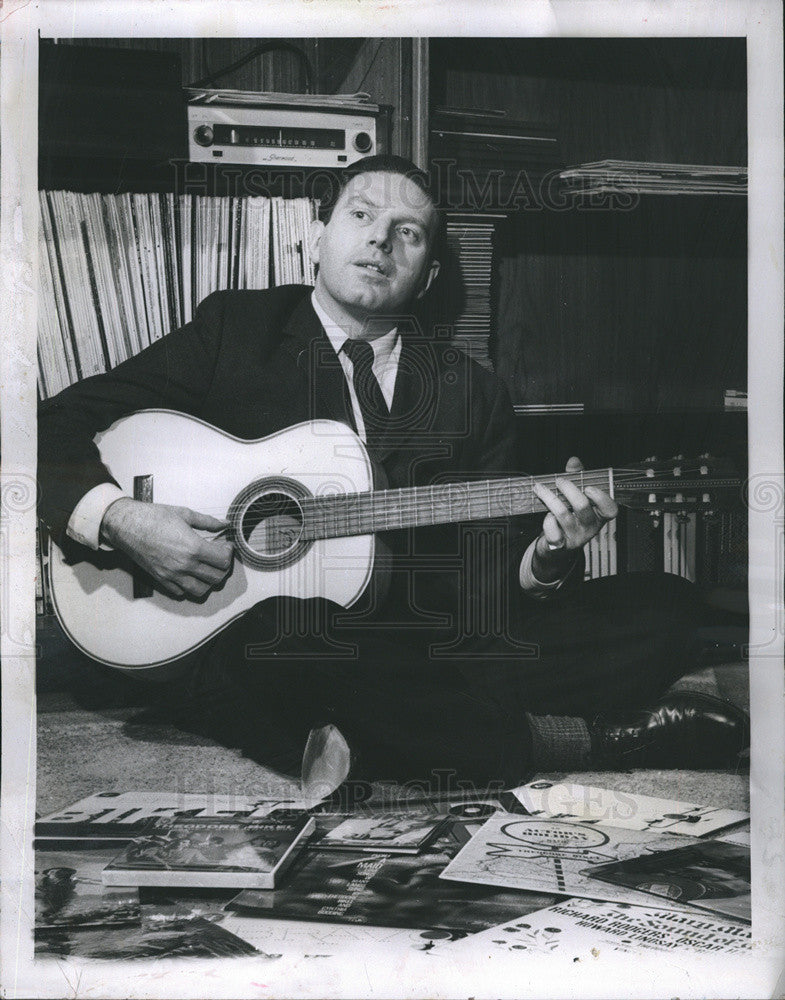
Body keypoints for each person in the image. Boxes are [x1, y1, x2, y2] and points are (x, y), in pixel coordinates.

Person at [38, 155, 749, 788]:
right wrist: (123, 519)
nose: (380, 239)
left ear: (428, 272)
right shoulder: (236, 331)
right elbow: (41, 428)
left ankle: (369, 733)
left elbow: (486, 585)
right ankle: (561, 739)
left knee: (665, 606)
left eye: (408, 232)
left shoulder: (471, 393)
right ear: (317, 238)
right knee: (295, 635)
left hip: (421, 636)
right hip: (248, 632)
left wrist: (549, 558)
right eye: (361, 215)